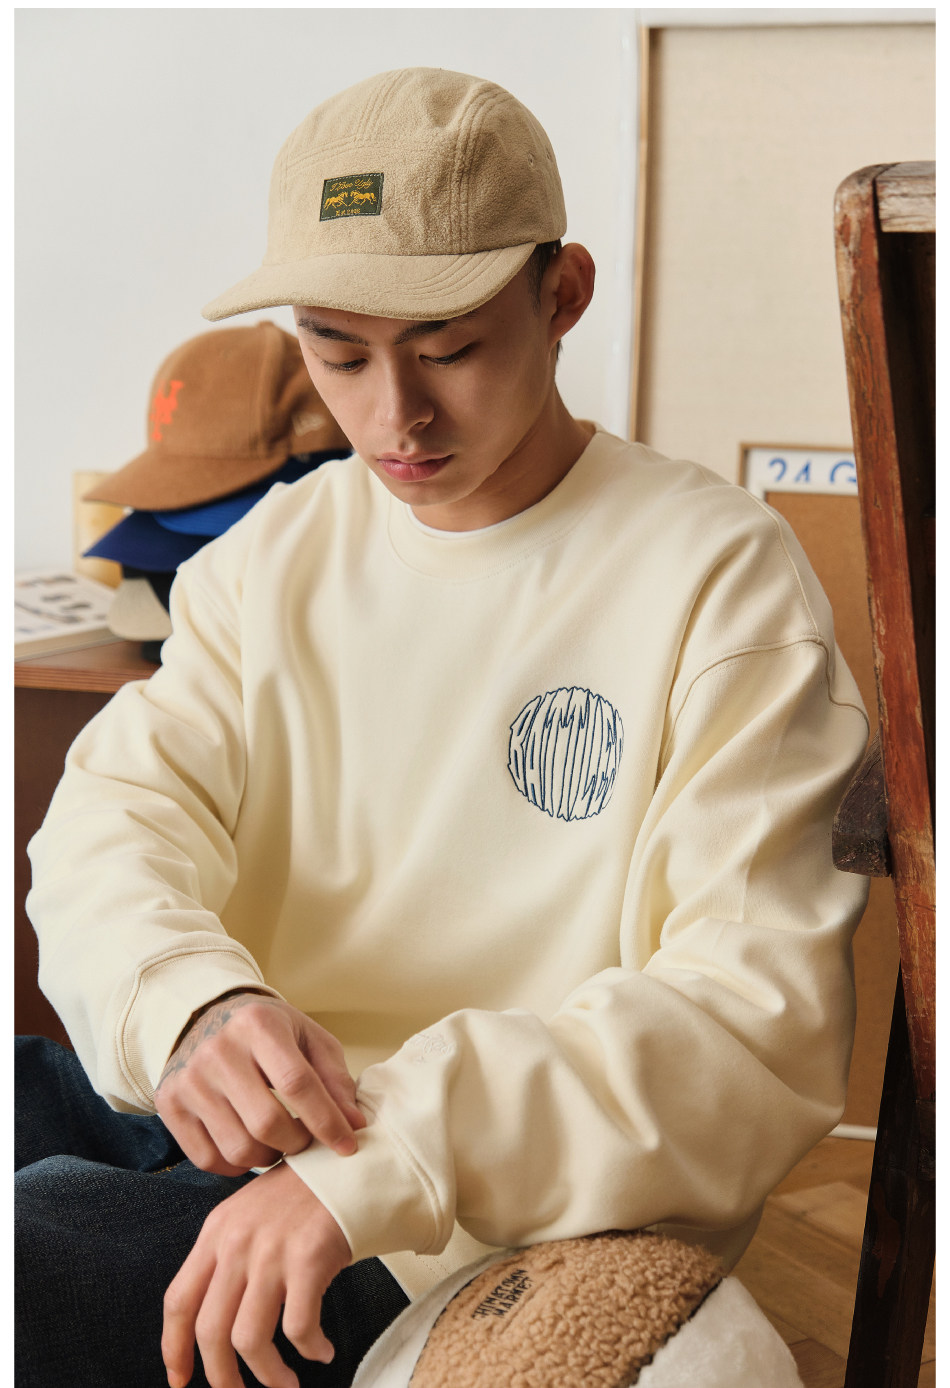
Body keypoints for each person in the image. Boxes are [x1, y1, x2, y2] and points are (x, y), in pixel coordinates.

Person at [17, 67, 870, 1388]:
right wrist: (191, 1003)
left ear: (562, 295)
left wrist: (387, 1157)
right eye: (337, 352)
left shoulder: (718, 579)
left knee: (32, 1246)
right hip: (265, 1136)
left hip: (464, 1220)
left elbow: (749, 1021)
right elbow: (115, 819)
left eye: (450, 349)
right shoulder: (273, 555)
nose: (392, 417)